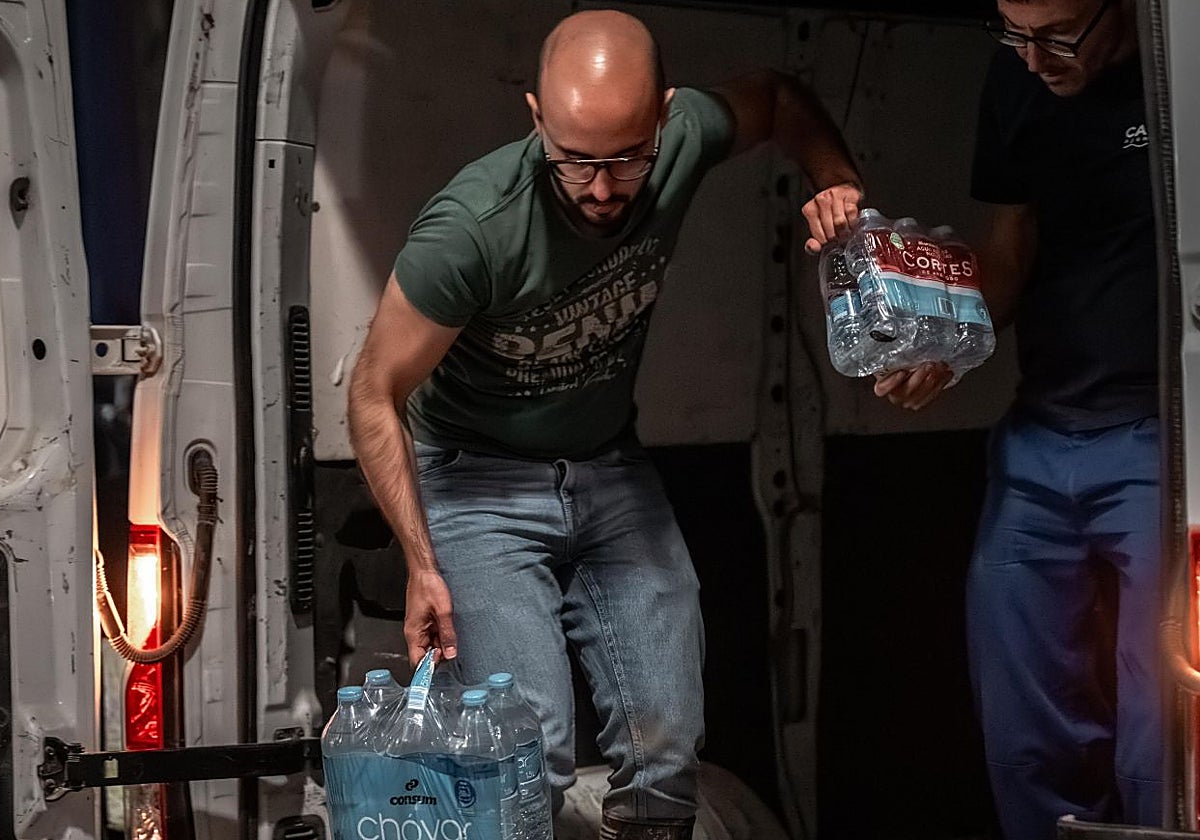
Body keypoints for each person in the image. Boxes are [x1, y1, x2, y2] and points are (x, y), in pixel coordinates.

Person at [346, 10, 861, 839]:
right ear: (536, 117)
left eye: (626, 159)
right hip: (478, 481)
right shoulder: (471, 229)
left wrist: (835, 178)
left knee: (667, 747)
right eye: (575, 160)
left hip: (608, 467)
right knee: (530, 751)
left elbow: (778, 98)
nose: (600, 187)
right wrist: (419, 562)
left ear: (663, 118)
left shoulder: (687, 134)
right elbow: (374, 391)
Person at [875, 1, 1161, 837]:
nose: (1032, 56)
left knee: (1164, 726)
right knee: (1022, 732)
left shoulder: (1175, 74)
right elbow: (1010, 247)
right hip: (1040, 433)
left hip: (1159, 435)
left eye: (1056, 33)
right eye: (1012, 30)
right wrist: (952, 340)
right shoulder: (1017, 76)